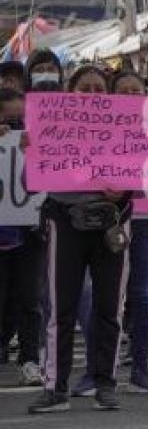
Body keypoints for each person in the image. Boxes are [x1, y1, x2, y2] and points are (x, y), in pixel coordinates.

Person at [29, 66, 131, 414]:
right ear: (69, 92)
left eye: (99, 88)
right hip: (65, 224)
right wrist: (32, 148)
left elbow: (147, 178)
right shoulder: (49, 127)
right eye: (85, 87)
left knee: (109, 309)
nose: (92, 94)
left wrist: (125, 190)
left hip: (111, 226)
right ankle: (55, 388)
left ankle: (106, 384)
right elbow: (32, 180)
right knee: (60, 309)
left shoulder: (127, 127)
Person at [106, 72, 148, 394]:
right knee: (108, 296)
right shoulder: (97, 128)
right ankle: (104, 366)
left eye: (136, 90)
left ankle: (141, 367)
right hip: (111, 220)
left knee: (143, 295)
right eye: (124, 91)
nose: (131, 95)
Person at [0, 89, 45, 387]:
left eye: (22, 119)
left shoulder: (36, 142)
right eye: (10, 119)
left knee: (30, 299)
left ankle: (29, 359)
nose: (17, 126)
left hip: (30, 235)